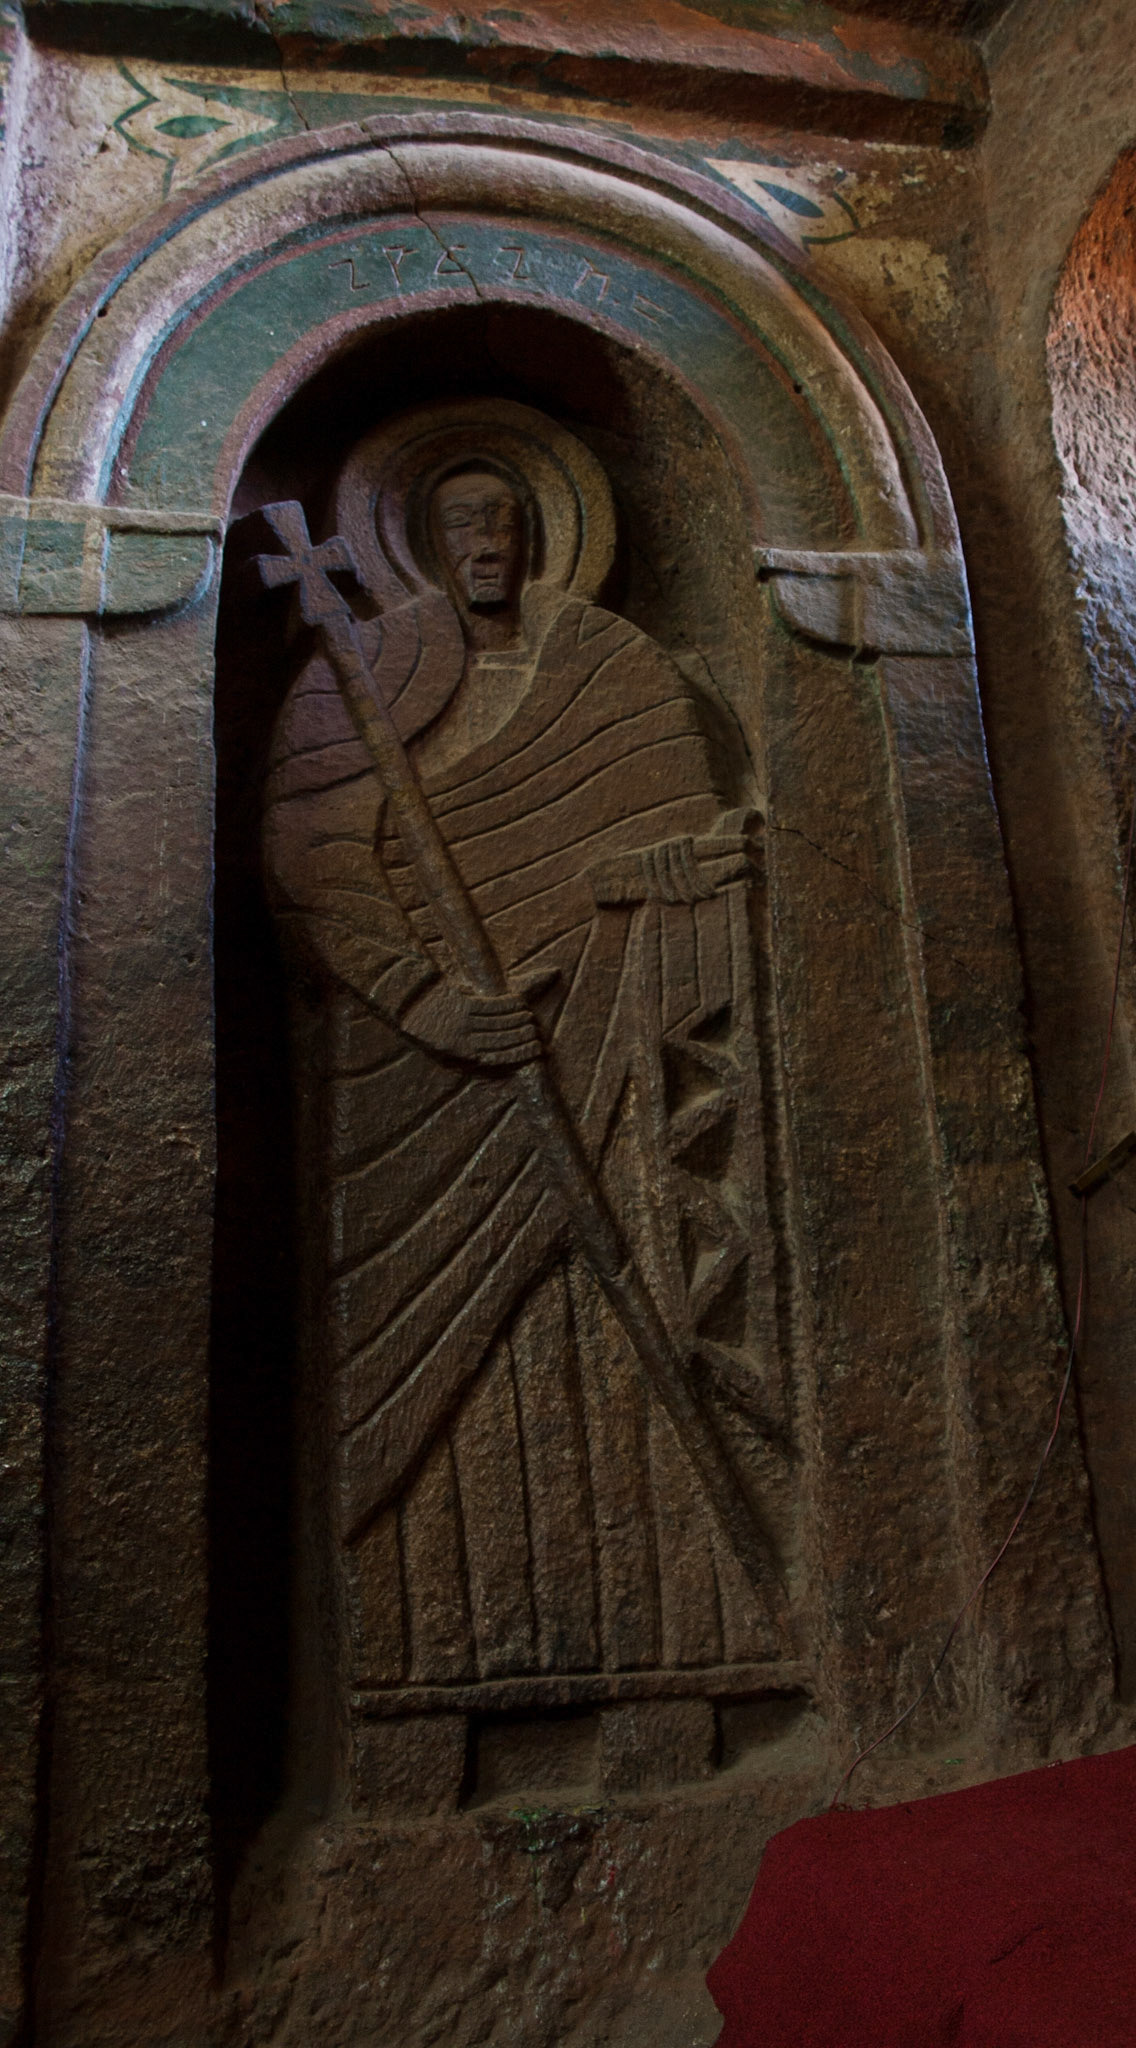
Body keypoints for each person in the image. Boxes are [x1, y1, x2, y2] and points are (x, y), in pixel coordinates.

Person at [263, 431, 778, 1699]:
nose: (490, 545)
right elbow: (319, 868)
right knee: (430, 1362)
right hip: (420, 1085)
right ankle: (420, 1673)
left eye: (508, 523)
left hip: (600, 1034)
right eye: (465, 526)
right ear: (423, 545)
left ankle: (699, 1641)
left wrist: (679, 870)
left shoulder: (611, 666)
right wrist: (428, 999)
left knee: (624, 1291)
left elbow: (664, 833)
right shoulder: (361, 670)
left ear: (544, 533)